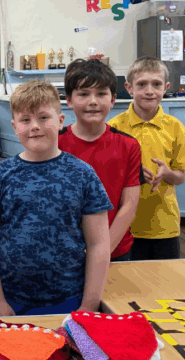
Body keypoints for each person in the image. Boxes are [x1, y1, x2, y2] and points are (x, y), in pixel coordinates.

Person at [0, 80, 112, 316]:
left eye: (43, 118)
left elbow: (98, 243)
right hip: (11, 301)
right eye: (25, 120)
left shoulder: (83, 174)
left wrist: (89, 305)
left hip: (70, 300)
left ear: (60, 121)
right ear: (14, 126)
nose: (34, 127)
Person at [108, 56, 185, 260]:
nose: (149, 90)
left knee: (164, 285)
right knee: (125, 284)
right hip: (123, 226)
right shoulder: (114, 127)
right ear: (129, 88)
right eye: (142, 84)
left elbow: (181, 177)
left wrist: (167, 174)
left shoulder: (175, 127)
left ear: (165, 87)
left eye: (156, 84)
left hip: (164, 225)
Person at [58, 58, 142, 262]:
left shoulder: (129, 145)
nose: (93, 101)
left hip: (115, 250)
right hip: (65, 252)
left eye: (101, 94)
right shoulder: (56, 143)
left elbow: (129, 206)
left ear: (113, 99)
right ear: (69, 100)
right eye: (84, 94)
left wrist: (101, 252)